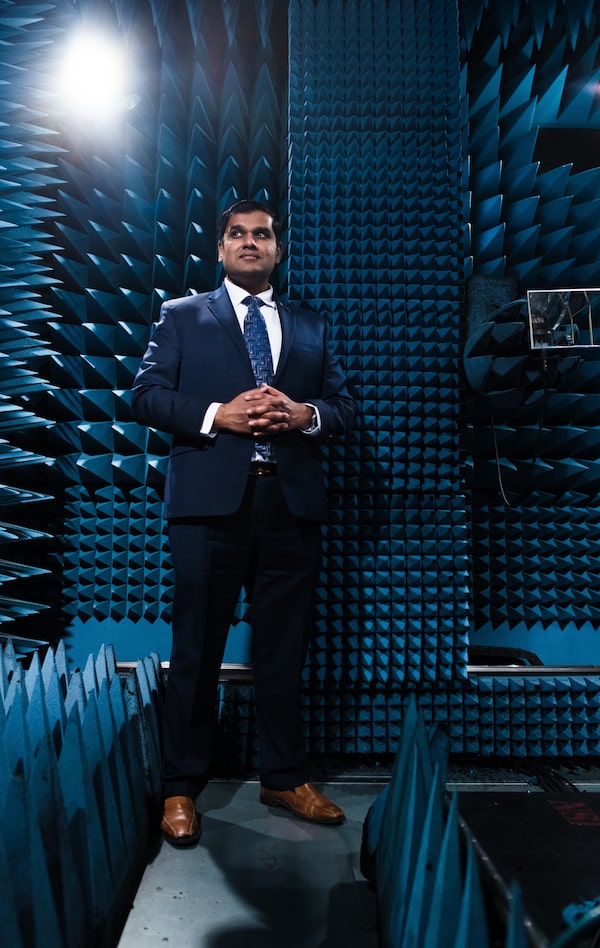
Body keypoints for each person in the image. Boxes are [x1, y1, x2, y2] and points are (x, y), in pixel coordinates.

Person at [132, 198, 356, 845]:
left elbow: (344, 407)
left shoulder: (310, 325)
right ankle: (181, 786)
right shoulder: (182, 317)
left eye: (262, 234)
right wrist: (216, 416)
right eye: (238, 234)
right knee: (195, 649)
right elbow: (145, 395)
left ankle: (283, 775)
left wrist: (304, 415)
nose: (251, 243)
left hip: (289, 505)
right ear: (222, 248)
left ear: (277, 250)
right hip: (209, 507)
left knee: (284, 652)